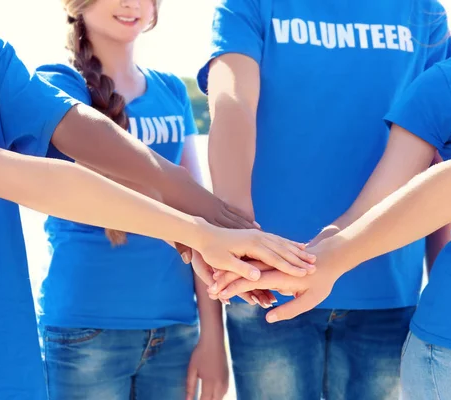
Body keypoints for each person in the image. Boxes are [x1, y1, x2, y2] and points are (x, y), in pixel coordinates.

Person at [0, 18, 314, 400]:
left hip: (2, 362)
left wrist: (211, 216)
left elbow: (71, 125)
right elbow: (37, 181)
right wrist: (198, 231)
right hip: (80, 324)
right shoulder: (60, 74)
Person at [213, 0, 451, 397]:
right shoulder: (447, 84)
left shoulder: (424, 16)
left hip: (393, 294)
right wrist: (250, 240)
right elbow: (423, 190)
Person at [198, 0, 451, 398]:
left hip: (386, 287)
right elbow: (233, 103)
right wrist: (238, 228)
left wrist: (445, 287)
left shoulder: (425, 13)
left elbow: (439, 159)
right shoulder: (249, 5)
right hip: (264, 281)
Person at [34, 0, 275, 398]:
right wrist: (192, 228)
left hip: (175, 330)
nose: (133, 3)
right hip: (85, 328)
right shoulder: (57, 84)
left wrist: (213, 339)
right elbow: (104, 191)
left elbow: (200, 209)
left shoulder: (171, 90)